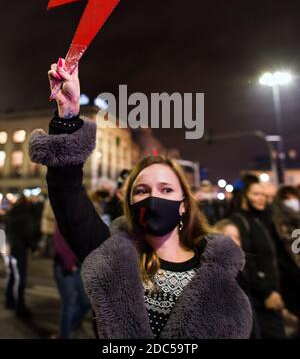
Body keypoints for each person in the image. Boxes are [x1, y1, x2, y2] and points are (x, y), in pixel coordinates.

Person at [28, 58, 253, 339]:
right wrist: (68, 115)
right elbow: (66, 192)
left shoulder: (226, 272)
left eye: (166, 190)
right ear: (131, 203)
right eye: (142, 190)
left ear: (184, 205)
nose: (153, 198)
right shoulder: (111, 256)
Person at [230, 174, 286, 339]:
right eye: (256, 194)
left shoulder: (260, 219)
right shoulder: (239, 221)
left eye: (263, 194)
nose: (261, 198)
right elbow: (246, 259)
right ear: (244, 195)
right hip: (259, 299)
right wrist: (266, 292)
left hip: (272, 293)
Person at [272, 185, 300, 337]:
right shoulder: (276, 223)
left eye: (293, 198)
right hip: (289, 279)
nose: (292, 202)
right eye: (287, 199)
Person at [53, 225, 90, 339]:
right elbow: (60, 244)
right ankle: (64, 336)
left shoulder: (82, 220)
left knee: (86, 302)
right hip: (66, 268)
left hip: (80, 267)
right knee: (69, 304)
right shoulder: (63, 219)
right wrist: (69, 264)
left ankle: (69, 328)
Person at [4, 195, 39, 318]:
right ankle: (20, 307)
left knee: (11, 275)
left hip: (9, 247)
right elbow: (28, 233)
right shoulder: (26, 216)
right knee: (20, 278)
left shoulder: (10, 215)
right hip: (20, 248)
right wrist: (34, 247)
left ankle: (9, 301)